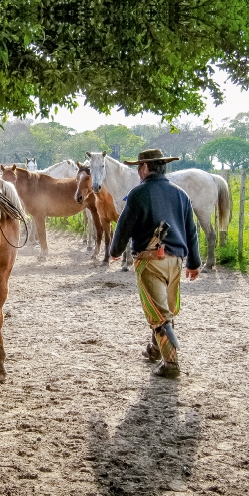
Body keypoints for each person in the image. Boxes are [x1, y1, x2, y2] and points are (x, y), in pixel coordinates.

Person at [109, 149, 201, 378]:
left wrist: (115, 251)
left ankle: (171, 364)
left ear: (146, 168)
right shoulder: (181, 194)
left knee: (159, 313)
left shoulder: (138, 194)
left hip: (150, 262)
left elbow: (123, 227)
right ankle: (154, 350)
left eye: (140, 166)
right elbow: (191, 231)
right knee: (165, 308)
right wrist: (194, 263)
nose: (138, 170)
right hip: (177, 261)